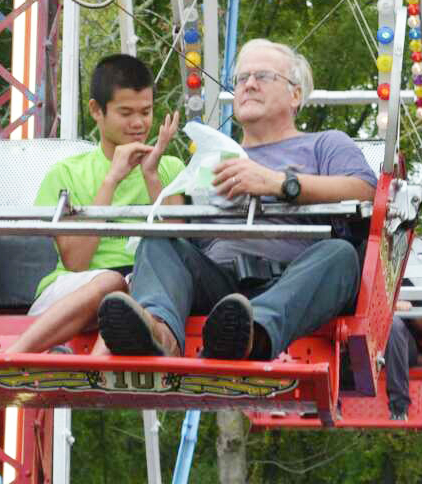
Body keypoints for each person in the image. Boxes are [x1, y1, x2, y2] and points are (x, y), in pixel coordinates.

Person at [96, 38, 378, 360]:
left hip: (289, 279)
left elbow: (365, 190)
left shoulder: (324, 144)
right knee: (156, 242)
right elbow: (179, 234)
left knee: (340, 256)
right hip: (217, 278)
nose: (250, 85)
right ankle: (159, 333)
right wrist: (152, 177)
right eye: (242, 79)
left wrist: (279, 183)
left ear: (295, 94)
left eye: (264, 77)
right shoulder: (212, 156)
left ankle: (250, 334)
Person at [6, 54, 184, 354]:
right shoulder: (66, 173)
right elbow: (76, 262)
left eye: (146, 111)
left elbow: (179, 250)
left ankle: (96, 371)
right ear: (96, 111)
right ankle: (14, 355)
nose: (139, 123)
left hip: (138, 294)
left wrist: (151, 175)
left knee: (131, 291)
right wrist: (111, 179)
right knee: (114, 284)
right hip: (73, 292)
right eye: (126, 113)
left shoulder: (171, 169)